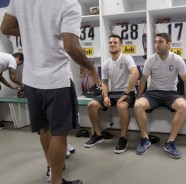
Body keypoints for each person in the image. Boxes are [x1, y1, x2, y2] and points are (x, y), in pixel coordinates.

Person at [1, 0, 100, 183]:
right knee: (59, 133)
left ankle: (50, 168)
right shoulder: (68, 3)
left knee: (44, 128)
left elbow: (5, 27)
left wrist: (33, 32)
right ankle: (56, 180)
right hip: (56, 80)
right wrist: (90, 67)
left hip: (31, 79)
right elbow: (71, 46)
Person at [134, 33, 186, 159]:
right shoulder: (151, 59)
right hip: (153, 92)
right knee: (138, 105)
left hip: (171, 93)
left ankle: (170, 142)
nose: (156, 45)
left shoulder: (177, 59)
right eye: (155, 42)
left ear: (169, 45)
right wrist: (139, 97)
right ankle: (145, 138)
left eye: (160, 42)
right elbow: (143, 80)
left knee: (184, 107)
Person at [85, 34, 139, 154]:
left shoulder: (126, 58)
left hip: (127, 92)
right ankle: (98, 135)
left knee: (122, 106)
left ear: (121, 46)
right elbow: (104, 82)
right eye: (110, 43)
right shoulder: (106, 64)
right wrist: (105, 96)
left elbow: (135, 74)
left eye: (115, 42)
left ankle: (123, 137)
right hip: (112, 92)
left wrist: (125, 94)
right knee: (91, 105)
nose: (112, 44)